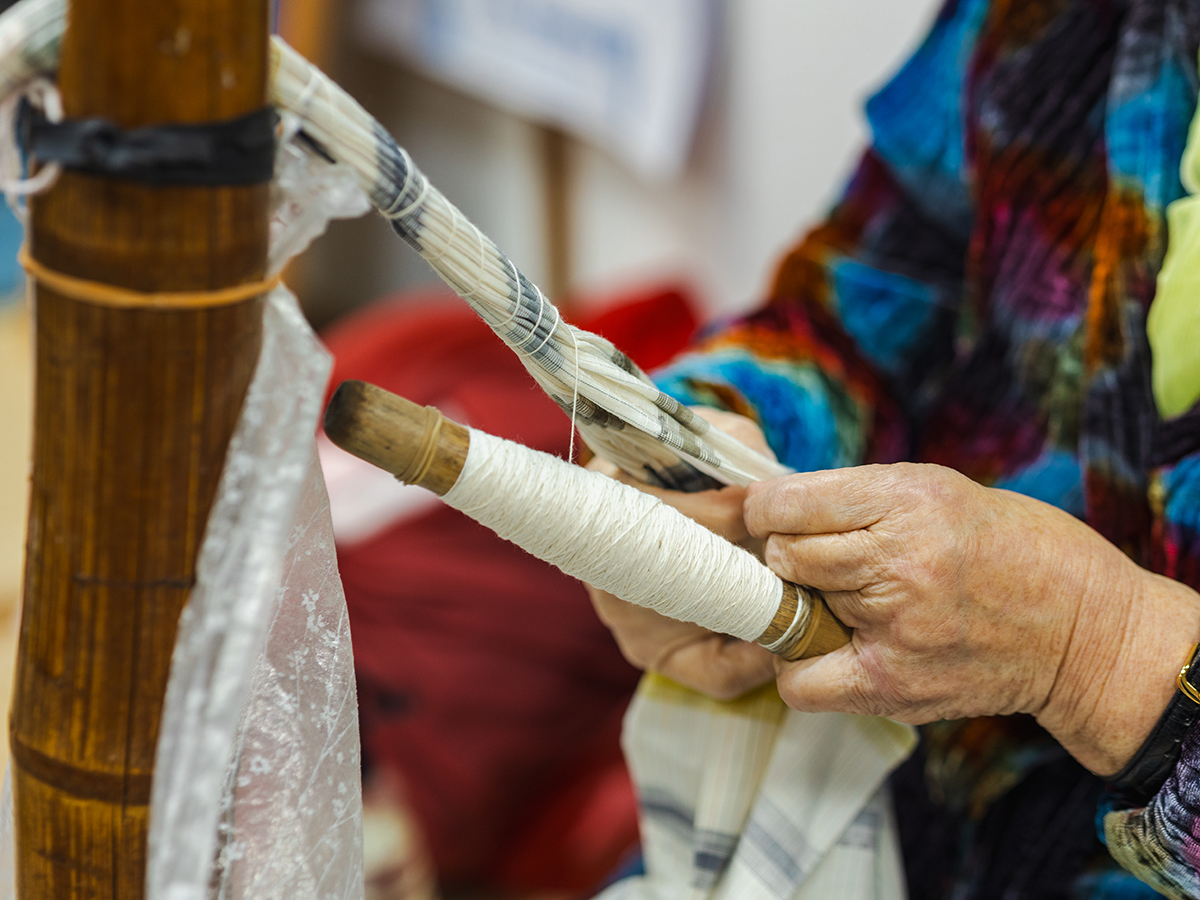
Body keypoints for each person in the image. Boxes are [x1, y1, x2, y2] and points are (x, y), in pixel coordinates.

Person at [587, 0, 1200, 897]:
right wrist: (708, 445)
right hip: (904, 800)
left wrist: (1097, 652)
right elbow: (873, 284)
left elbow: (1094, 649)